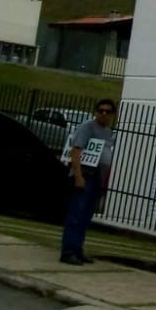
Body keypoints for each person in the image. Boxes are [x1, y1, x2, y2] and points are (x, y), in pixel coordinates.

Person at [60, 98, 118, 265]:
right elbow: (76, 151)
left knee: (86, 215)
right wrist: (78, 177)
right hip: (86, 174)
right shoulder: (87, 127)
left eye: (108, 111)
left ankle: (77, 249)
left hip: (98, 176)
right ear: (96, 112)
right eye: (101, 110)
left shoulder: (107, 131)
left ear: (112, 114)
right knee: (76, 214)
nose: (104, 114)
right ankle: (68, 251)